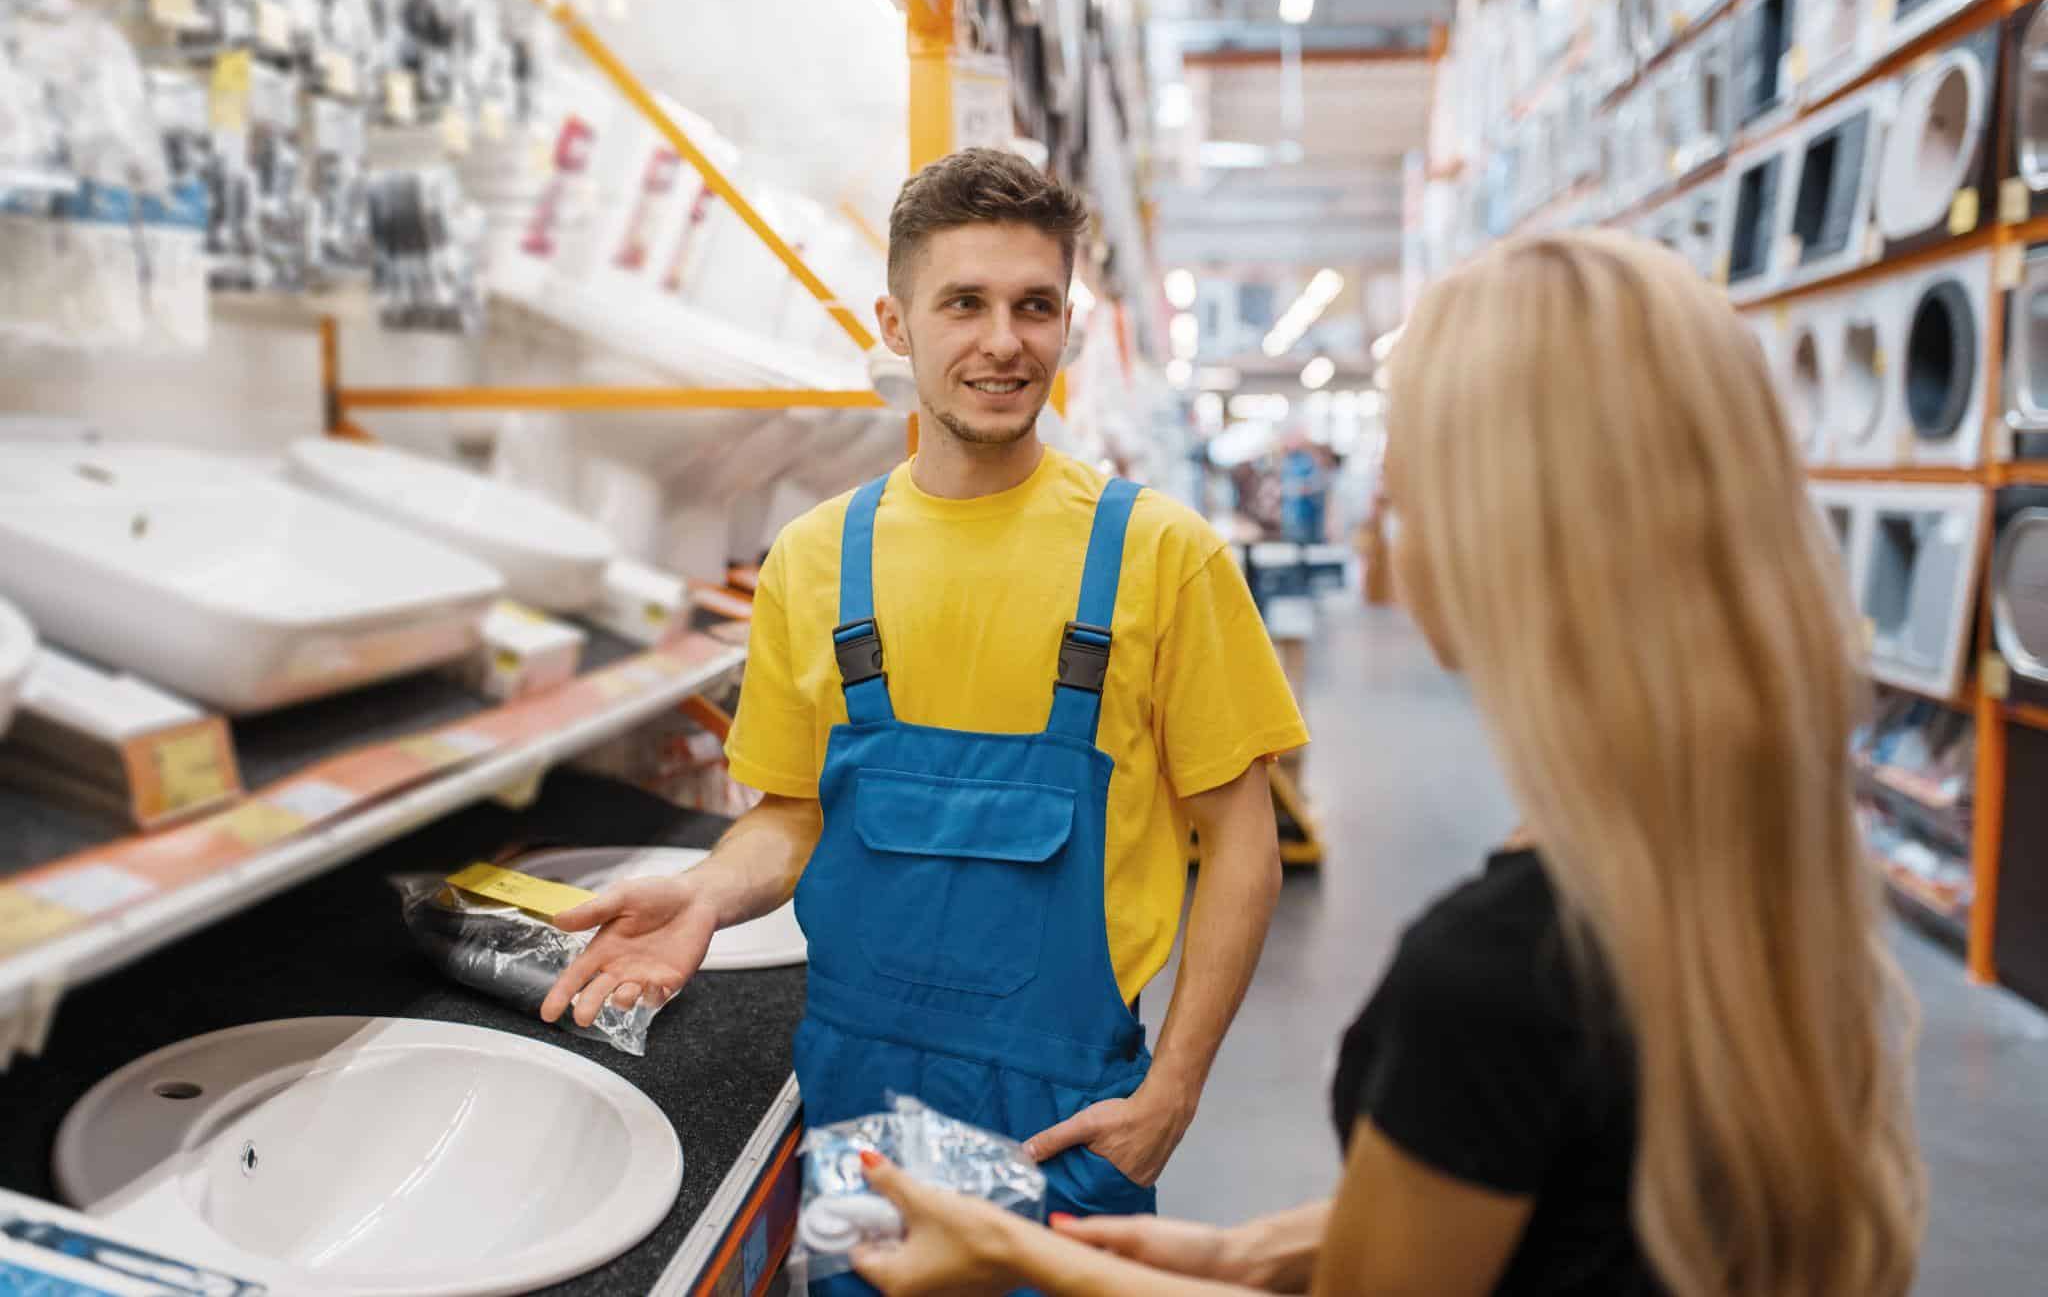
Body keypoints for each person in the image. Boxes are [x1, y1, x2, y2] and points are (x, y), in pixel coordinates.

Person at [831, 231, 1925, 1296]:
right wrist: (1238, 1252)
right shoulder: (1746, 866)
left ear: (1496, 538)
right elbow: (1564, 1207)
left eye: (1401, 499)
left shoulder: (1499, 976)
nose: (1391, 538)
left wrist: (1023, 1255)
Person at [539, 148, 1309, 1238]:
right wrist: (708, 892)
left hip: (1071, 1114)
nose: (1003, 341)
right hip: (859, 1095)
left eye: (1033, 305)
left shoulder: (1158, 554)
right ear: (895, 323)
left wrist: (1171, 1090)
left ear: (1063, 324)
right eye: (963, 303)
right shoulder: (812, 562)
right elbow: (795, 814)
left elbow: (1241, 842)